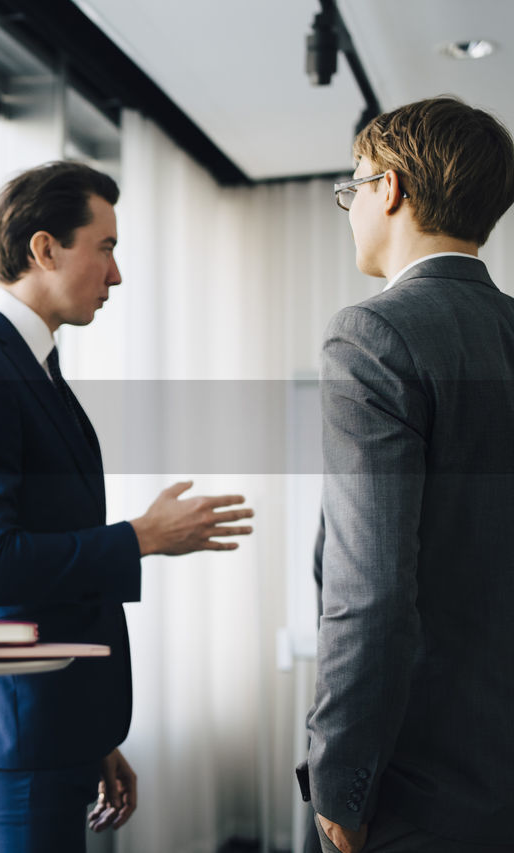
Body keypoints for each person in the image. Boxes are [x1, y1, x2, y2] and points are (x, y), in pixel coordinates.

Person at [0, 160, 254, 853]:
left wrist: (92, 735)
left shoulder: (29, 366)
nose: (116, 274)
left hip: (49, 724)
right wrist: (140, 536)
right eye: (106, 247)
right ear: (44, 249)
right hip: (22, 726)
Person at [303, 97, 514, 853]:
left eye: (351, 188)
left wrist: (339, 783)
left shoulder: (374, 335)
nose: (350, 208)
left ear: (389, 190)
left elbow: (372, 592)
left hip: (424, 787)